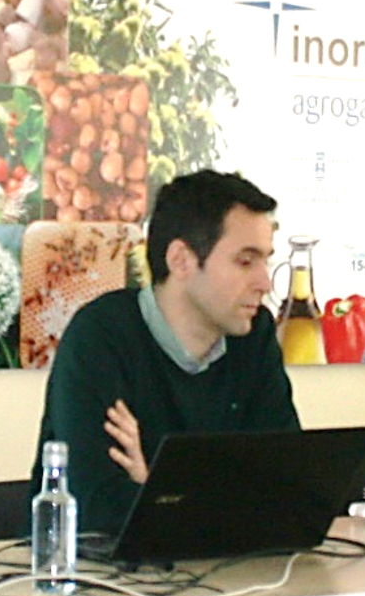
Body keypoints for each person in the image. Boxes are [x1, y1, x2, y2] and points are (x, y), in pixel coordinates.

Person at [30, 170, 299, 534]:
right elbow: (94, 509)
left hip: (233, 566)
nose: (265, 282)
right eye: (245, 262)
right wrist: (192, 498)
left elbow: (288, 492)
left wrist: (156, 489)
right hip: (96, 569)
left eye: (266, 260)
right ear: (181, 260)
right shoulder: (100, 338)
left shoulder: (255, 334)